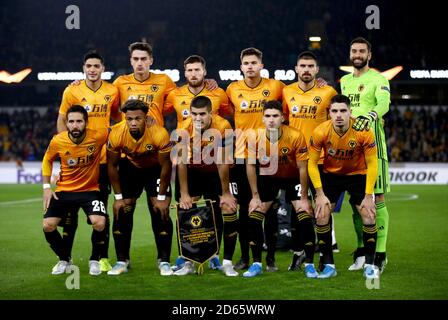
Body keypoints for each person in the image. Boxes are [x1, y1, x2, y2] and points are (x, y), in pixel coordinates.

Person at [56, 50, 121, 273]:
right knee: (68, 213)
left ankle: (99, 257)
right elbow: (62, 119)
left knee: (100, 211)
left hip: (102, 162)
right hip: (76, 162)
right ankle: (65, 258)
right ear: (83, 68)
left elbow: (119, 118)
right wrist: (66, 152)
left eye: (96, 66)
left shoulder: (112, 90)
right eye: (88, 66)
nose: (92, 69)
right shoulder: (72, 90)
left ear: (103, 68)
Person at [226, 47, 285, 272]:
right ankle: (245, 257)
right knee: (243, 211)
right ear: (241, 67)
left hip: (268, 156)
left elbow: (288, 104)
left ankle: (270, 257)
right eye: (246, 63)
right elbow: (223, 109)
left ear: (261, 65)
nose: (250, 66)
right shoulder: (232, 88)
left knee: (268, 209)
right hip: (241, 157)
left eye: (254, 62)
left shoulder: (275, 86)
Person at [308, 94, 379, 279]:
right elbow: (312, 164)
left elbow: (372, 164)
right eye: (334, 111)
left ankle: (370, 265)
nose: (339, 115)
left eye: (343, 111)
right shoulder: (320, 131)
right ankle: (329, 265)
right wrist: (320, 193)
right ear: (329, 113)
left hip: (358, 175)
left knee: (368, 214)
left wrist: (369, 195)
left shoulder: (364, 132)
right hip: (332, 176)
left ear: (350, 112)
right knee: (322, 213)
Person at [244, 100, 314, 278]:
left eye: (275, 116)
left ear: (282, 118)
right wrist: (255, 196)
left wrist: (304, 197)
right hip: (268, 178)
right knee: (254, 216)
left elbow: (303, 168)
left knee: (304, 214)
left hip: (293, 178)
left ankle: (310, 264)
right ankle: (257, 263)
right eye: (267, 116)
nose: (271, 120)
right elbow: (250, 166)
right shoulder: (254, 136)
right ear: (262, 118)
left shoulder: (296, 135)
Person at [282, 51, 338, 270]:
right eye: (302, 66)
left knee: (323, 208)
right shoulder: (287, 91)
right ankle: (299, 253)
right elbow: (284, 119)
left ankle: (325, 255)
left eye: (310, 66)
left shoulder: (328, 92)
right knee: (299, 210)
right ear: (296, 69)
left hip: (323, 161)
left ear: (317, 70)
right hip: (296, 162)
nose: (306, 70)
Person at [340, 37, 391, 273]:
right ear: (350, 54)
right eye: (354, 51)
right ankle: (362, 251)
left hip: (372, 147)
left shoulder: (378, 79)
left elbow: (384, 104)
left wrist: (371, 115)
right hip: (350, 150)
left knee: (376, 200)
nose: (357, 54)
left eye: (362, 51)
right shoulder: (344, 81)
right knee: (356, 203)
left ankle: (380, 255)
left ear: (369, 55)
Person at [106, 99, 174, 276]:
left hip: (155, 169)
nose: (133, 122)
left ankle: (164, 260)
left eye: (138, 118)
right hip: (131, 168)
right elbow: (112, 166)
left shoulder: (159, 133)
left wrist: (160, 199)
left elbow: (166, 167)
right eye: (129, 119)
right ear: (125, 118)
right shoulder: (116, 133)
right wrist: (118, 198)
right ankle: (122, 261)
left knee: (161, 211)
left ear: (146, 117)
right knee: (122, 210)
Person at [172, 96, 238, 276]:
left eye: (202, 114)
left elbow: (223, 162)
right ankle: (189, 261)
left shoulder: (223, 126)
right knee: (186, 209)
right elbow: (182, 163)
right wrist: (185, 194)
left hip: (215, 171)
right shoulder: (183, 129)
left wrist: (225, 193)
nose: (198, 118)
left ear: (211, 113)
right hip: (192, 170)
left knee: (227, 208)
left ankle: (226, 261)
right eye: (194, 114)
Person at [42, 105, 108, 276]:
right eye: (71, 121)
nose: (75, 125)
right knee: (48, 226)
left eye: (79, 121)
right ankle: (64, 258)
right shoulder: (58, 140)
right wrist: (46, 187)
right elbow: (47, 160)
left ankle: (95, 259)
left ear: (86, 122)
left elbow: (118, 130)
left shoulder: (98, 136)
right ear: (67, 123)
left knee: (99, 222)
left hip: (90, 190)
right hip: (64, 190)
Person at [165, 55, 231, 128]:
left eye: (197, 70)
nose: (193, 74)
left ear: (204, 72)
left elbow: (229, 114)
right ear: (185, 74)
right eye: (190, 70)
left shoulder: (219, 93)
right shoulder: (175, 94)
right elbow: (160, 112)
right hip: (184, 138)